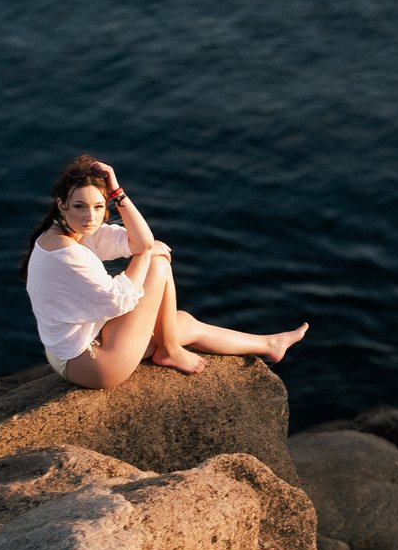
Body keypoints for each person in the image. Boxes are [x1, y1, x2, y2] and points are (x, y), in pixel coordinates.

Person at [21, 155, 307, 388]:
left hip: (77, 345)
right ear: (62, 205)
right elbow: (119, 298)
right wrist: (146, 256)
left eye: (98, 206)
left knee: (179, 322)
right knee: (157, 263)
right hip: (91, 365)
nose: (90, 216)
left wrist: (118, 193)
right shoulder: (67, 253)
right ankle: (169, 351)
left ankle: (270, 343)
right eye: (80, 206)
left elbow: (140, 240)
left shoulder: (73, 232)